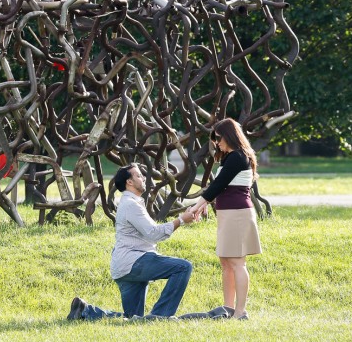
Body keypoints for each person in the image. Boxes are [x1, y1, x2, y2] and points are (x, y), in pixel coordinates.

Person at [67, 163, 197, 321]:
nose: (143, 178)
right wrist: (181, 220)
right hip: (134, 261)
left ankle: (86, 311)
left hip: (124, 266)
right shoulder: (131, 205)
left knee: (133, 318)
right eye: (138, 176)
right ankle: (159, 317)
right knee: (183, 267)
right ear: (129, 182)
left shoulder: (131, 203)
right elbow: (153, 233)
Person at [188, 118, 262, 320]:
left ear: (229, 136)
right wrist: (203, 205)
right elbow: (221, 188)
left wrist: (196, 206)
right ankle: (228, 308)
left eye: (218, 138)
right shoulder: (229, 157)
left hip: (237, 214)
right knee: (226, 262)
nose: (216, 143)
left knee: (238, 263)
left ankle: (240, 312)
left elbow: (218, 185)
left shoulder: (239, 157)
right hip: (228, 213)